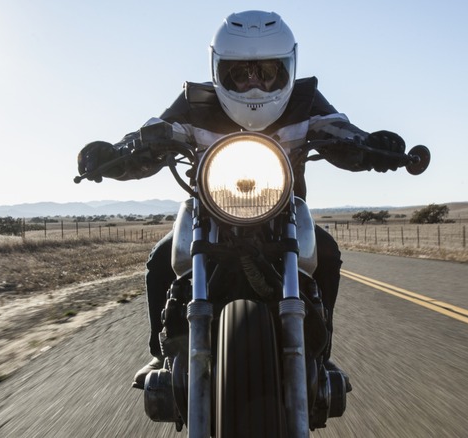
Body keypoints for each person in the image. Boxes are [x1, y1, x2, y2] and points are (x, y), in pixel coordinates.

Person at [77, 10, 406, 390]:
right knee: (161, 261)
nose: (253, 84)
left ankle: (320, 354)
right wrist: (116, 155)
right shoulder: (195, 103)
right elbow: (154, 134)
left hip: (283, 213)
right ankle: (161, 352)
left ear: (287, 69)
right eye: (240, 73)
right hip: (210, 215)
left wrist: (371, 147)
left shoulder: (305, 100)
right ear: (220, 70)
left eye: (266, 72)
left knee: (326, 253)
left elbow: (341, 131)